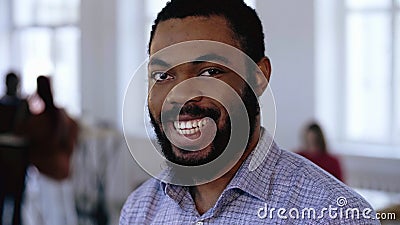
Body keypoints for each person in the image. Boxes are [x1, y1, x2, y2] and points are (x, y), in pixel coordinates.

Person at [120, 0, 379, 224]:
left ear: (258, 78)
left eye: (210, 71)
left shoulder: (333, 215)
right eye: (162, 75)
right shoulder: (139, 210)